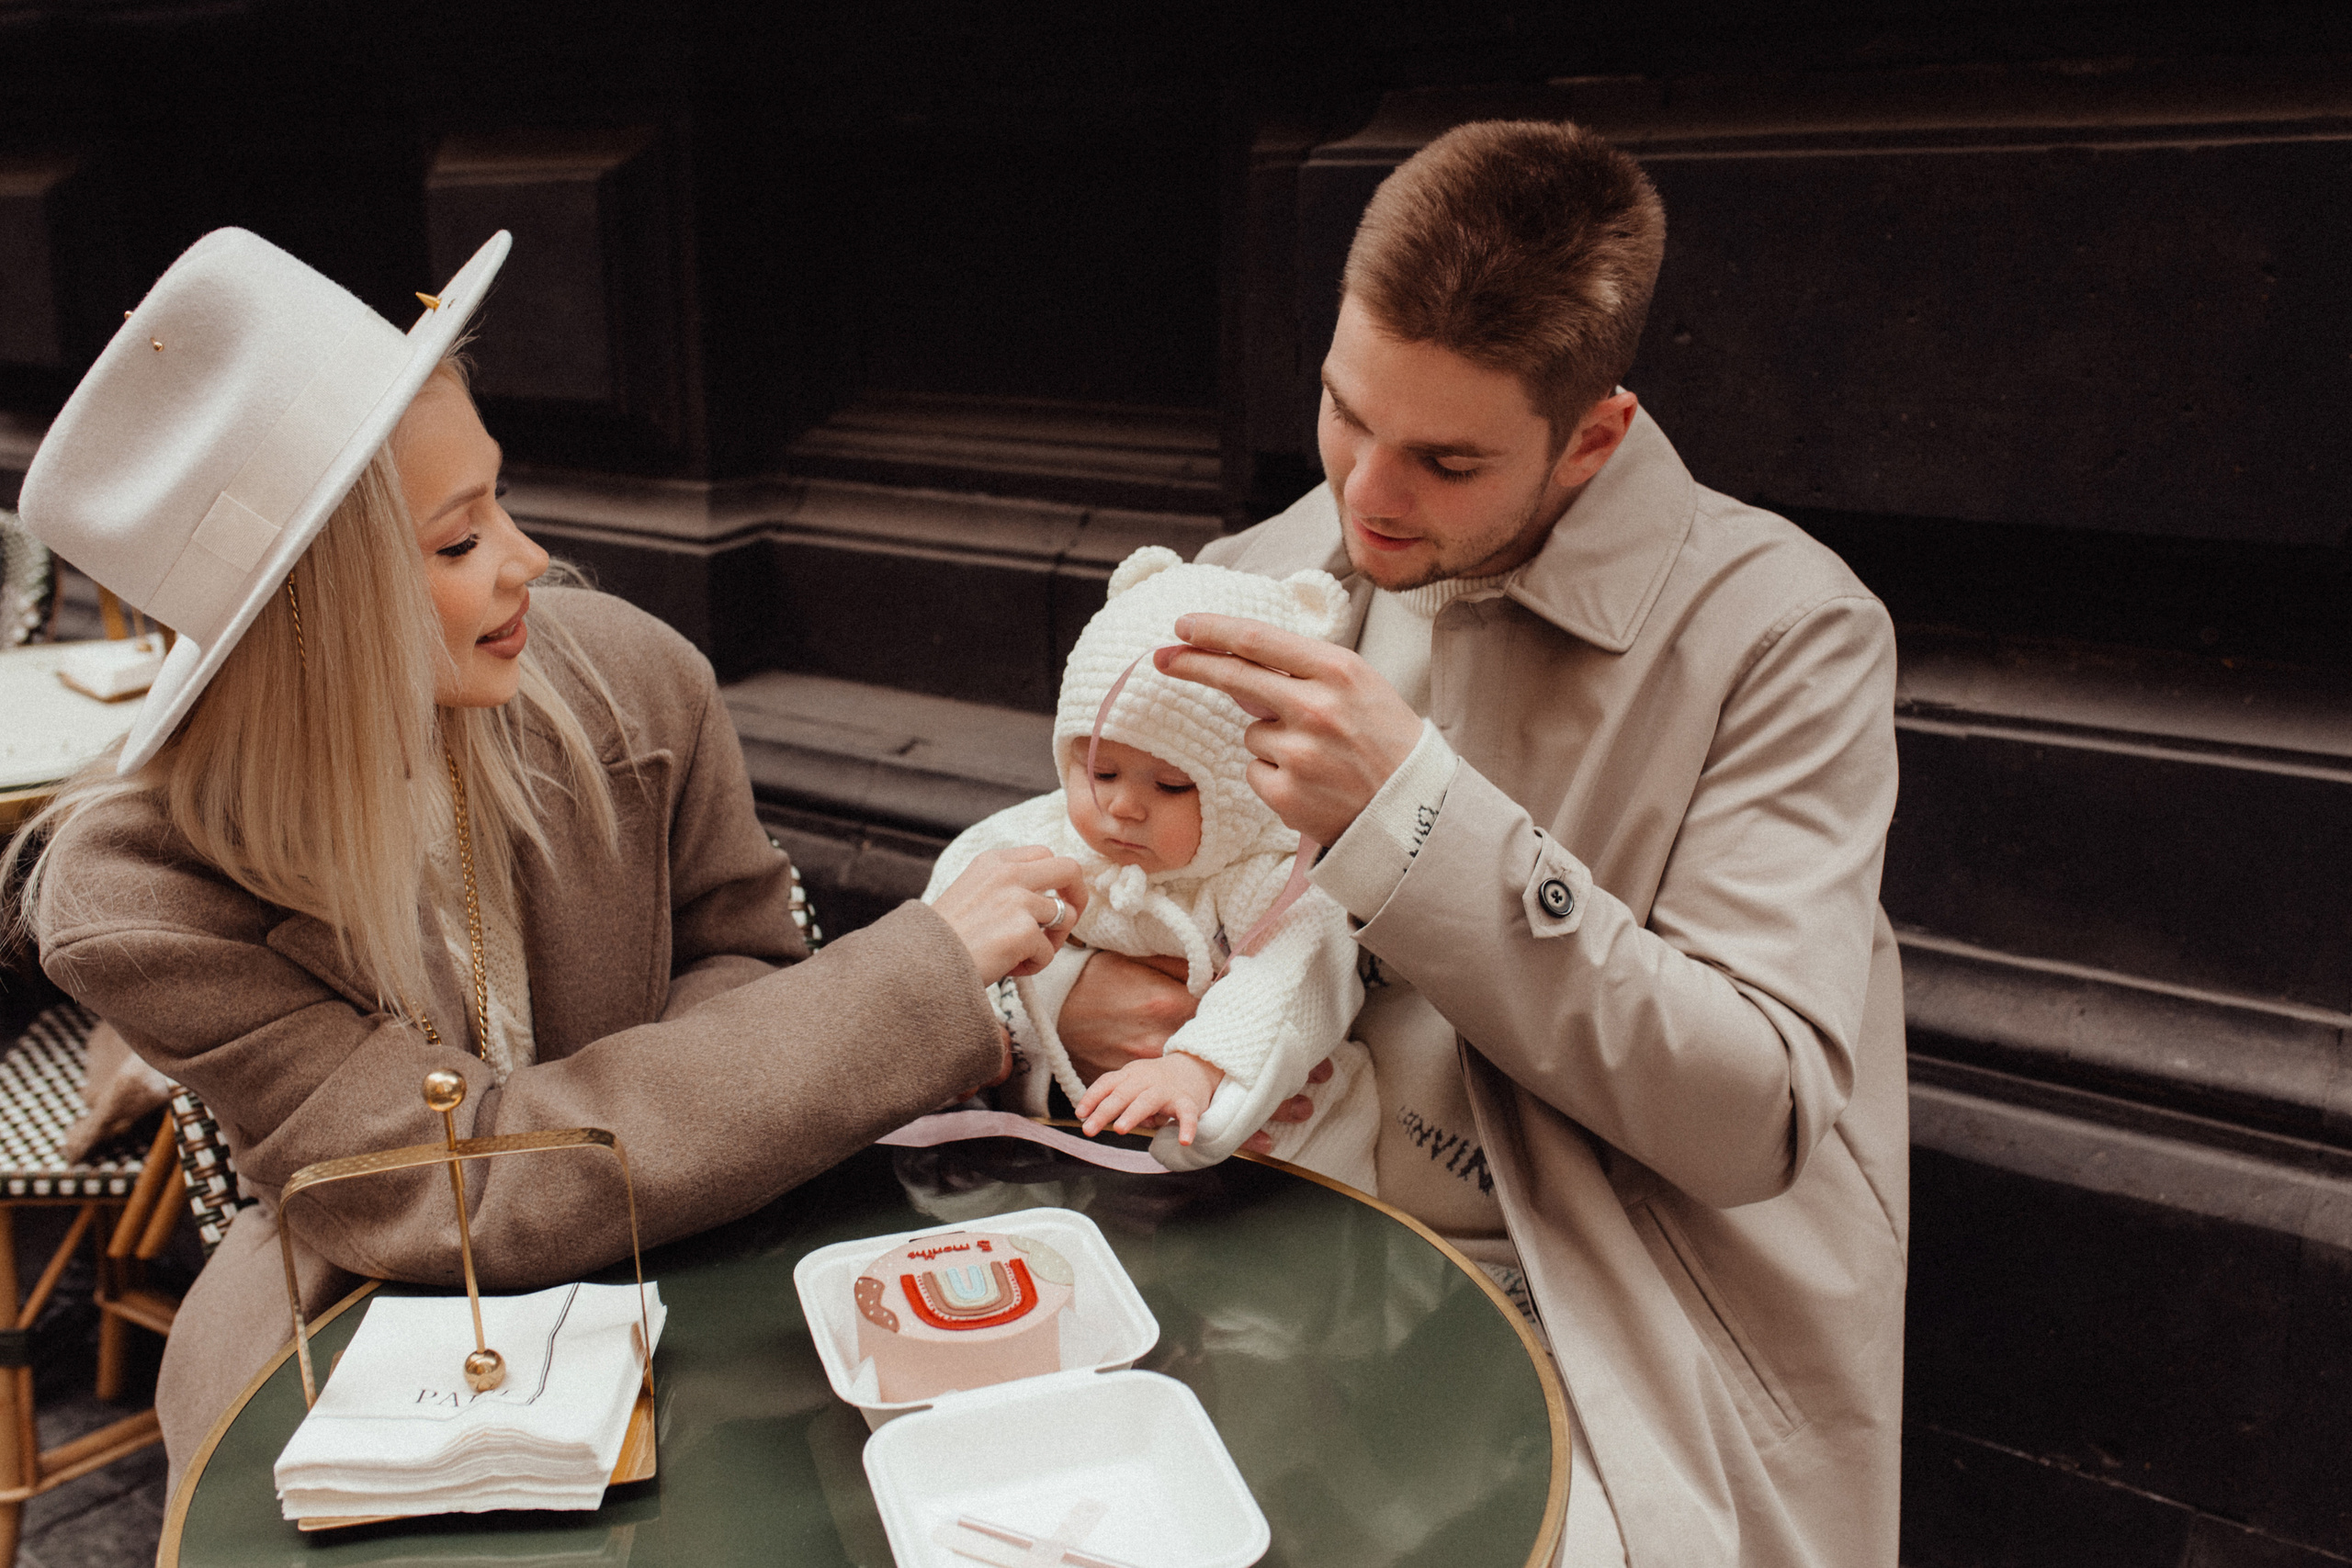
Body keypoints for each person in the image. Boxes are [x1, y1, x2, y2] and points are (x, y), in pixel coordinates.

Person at [1, 229, 1089, 1484]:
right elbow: (448, 1192)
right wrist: (915, 975)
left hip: (715, 1259)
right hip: (370, 1340)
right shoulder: (140, 897)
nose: (524, 559)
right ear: (319, 629)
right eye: (459, 543)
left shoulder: (631, 677)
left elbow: (742, 946)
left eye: (495, 500)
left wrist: (671, 1148)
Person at [1048, 121, 1906, 1567]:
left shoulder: (1788, 632)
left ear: (1595, 435)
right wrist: (1074, 989)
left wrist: (1421, 823)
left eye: (1446, 458)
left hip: (1603, 1299)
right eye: (1342, 412)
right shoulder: (1270, 570)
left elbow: (1756, 1110)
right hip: (1270, 1229)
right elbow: (1086, 861)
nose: (1367, 494)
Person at [923, 546, 1380, 1191]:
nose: (1122, 805)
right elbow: (959, 896)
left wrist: (1197, 1065)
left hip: (1276, 1154)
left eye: (1170, 784)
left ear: (1246, 785)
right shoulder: (1048, 837)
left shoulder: (1271, 875)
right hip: (1080, 1140)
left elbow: (1295, 973)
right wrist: (965, 999)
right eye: (1099, 770)